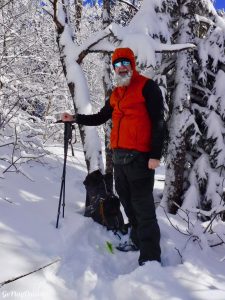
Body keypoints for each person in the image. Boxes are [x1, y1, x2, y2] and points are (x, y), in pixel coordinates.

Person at [61, 47, 165, 266]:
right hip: (119, 159)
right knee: (127, 204)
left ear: (132, 64)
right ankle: (136, 241)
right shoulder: (115, 94)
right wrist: (75, 118)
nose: (121, 68)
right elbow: (100, 117)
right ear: (114, 68)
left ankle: (151, 258)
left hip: (140, 159)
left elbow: (159, 122)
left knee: (143, 208)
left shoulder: (148, 87)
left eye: (125, 63)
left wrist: (155, 155)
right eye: (117, 65)